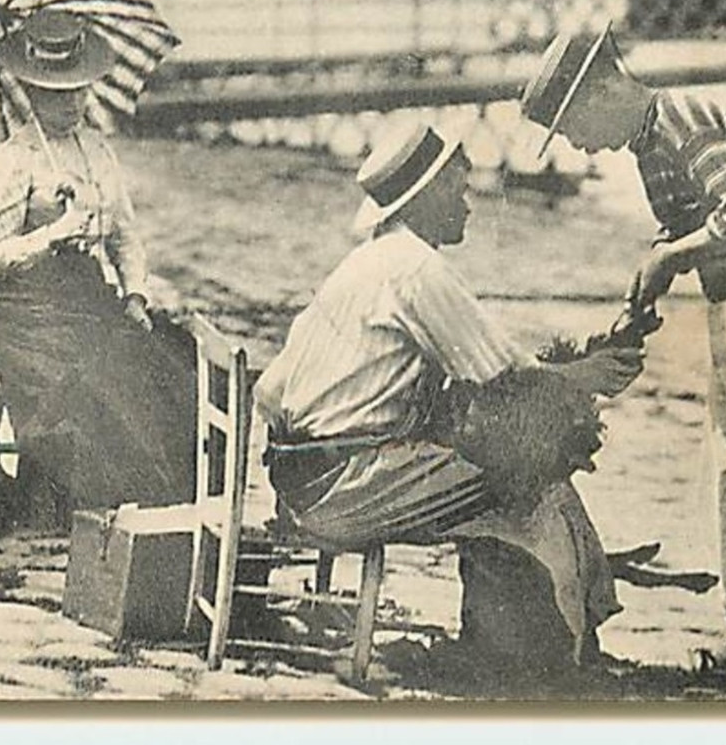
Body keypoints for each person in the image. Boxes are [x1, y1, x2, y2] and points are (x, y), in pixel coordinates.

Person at [255, 124, 644, 690]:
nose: (468, 203)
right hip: (342, 492)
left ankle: (519, 642)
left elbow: (269, 392)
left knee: (506, 466)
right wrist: (590, 375)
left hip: (299, 482)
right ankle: (555, 656)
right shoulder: (415, 268)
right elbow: (503, 373)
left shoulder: (365, 263)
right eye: (460, 190)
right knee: (535, 480)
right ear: (427, 196)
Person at [521, 24, 726, 699]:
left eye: (574, 125)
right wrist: (641, 298)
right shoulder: (647, 143)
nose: (579, 144)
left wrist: (666, 258)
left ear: (605, 87)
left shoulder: (682, 117)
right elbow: (683, 227)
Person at [0, 8, 195, 532]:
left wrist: (136, 296)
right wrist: (50, 236)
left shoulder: (98, 151)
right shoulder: (12, 160)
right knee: (100, 385)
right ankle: (79, 509)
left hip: (88, 300)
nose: (72, 104)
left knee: (169, 363)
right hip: (28, 315)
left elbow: (124, 234)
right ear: (30, 93)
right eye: (56, 93)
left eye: (79, 91)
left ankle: (150, 513)